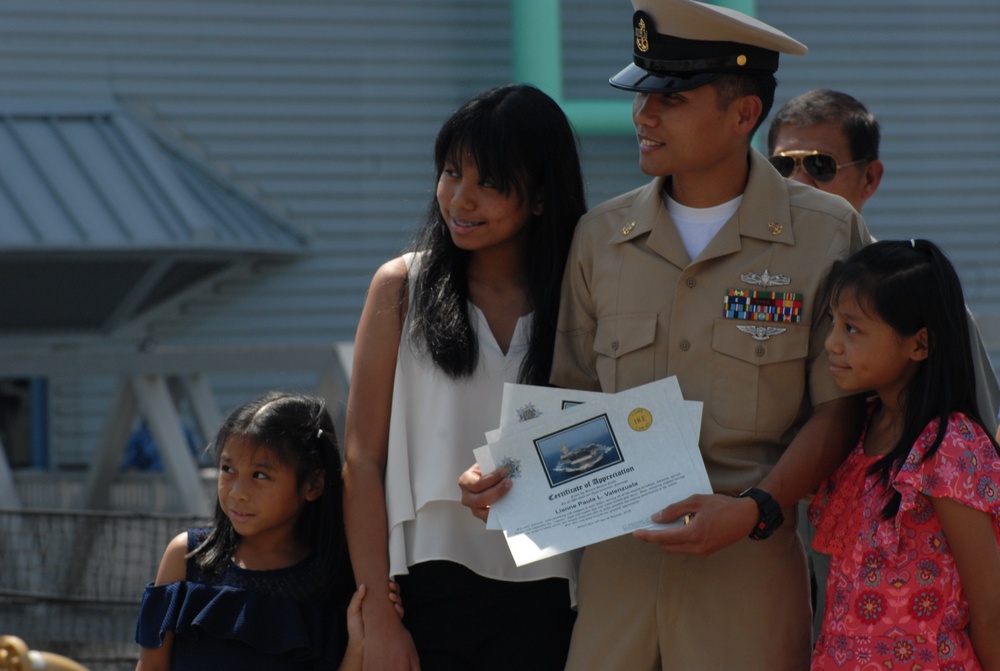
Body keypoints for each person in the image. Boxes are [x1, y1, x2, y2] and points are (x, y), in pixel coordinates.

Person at [460, 1, 871, 669]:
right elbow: (572, 399)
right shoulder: (602, 237)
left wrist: (755, 509)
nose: (643, 116)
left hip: (748, 569)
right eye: (642, 95)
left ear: (743, 114)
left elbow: (841, 406)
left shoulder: (825, 233)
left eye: (671, 97)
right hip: (618, 573)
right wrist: (512, 475)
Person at [343, 83, 586, 671]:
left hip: (558, 590)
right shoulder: (401, 286)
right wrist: (377, 613)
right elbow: (361, 460)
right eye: (452, 173)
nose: (461, 199)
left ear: (540, 197)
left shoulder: (586, 293)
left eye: (490, 183)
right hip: (425, 587)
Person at [810, 239, 1000, 669]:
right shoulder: (855, 434)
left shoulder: (950, 447)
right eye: (833, 323)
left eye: (852, 329)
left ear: (919, 344)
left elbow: (991, 612)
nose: (831, 344)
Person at [767, 89, 1000, 433]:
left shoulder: (911, 289)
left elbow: (974, 431)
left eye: (820, 165)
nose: (798, 183)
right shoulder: (748, 274)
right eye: (783, 166)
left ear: (870, 178)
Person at [135, 391, 386, 670]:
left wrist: (359, 645)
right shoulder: (187, 557)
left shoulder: (336, 579)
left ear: (313, 485)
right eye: (228, 469)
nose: (238, 493)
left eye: (260, 475)